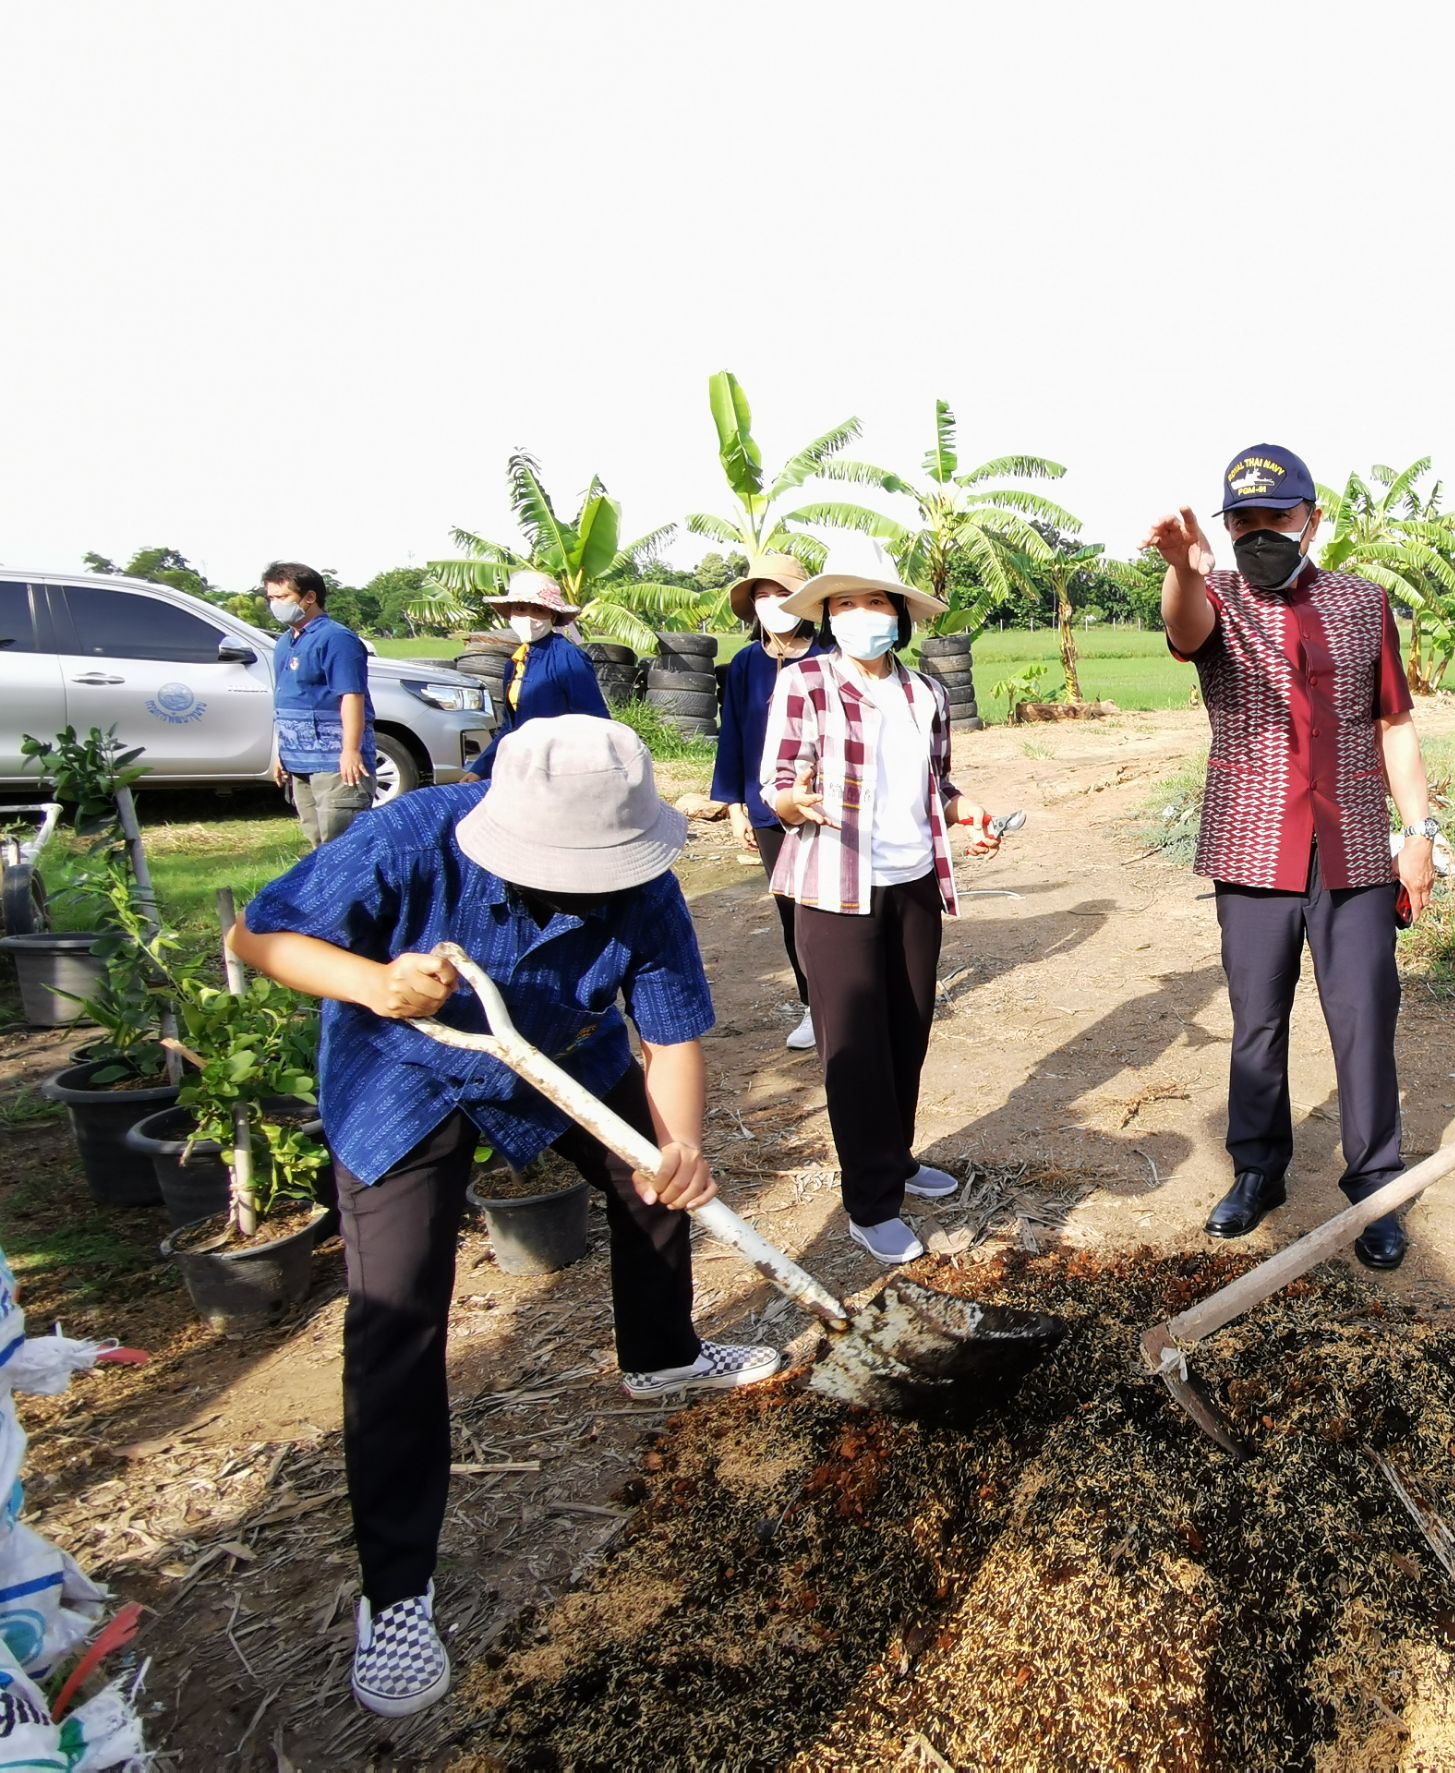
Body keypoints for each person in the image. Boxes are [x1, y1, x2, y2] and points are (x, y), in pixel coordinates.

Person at [229, 716, 780, 1720]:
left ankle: (660, 1354)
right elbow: (255, 934)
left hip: (561, 1053)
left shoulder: (646, 889)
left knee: (644, 1176)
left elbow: (670, 1038)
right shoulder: (408, 840)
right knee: (396, 1320)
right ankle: (395, 1590)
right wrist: (374, 983)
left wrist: (680, 1147)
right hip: (404, 1072)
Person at [1144, 443, 1437, 1270]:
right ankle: (1258, 1170)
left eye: (1278, 517)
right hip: (1253, 843)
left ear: (1312, 520)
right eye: (1245, 519)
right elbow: (1184, 626)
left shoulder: (1360, 603)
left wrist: (1418, 831)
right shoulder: (1218, 597)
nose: (1261, 531)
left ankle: (1376, 1186)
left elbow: (1394, 724)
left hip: (1351, 849)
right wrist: (1183, 568)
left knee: (1365, 1019)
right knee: (1256, 1021)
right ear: (1227, 526)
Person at [761, 536, 1002, 1267]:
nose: (861, 614)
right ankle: (870, 1202)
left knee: (909, 1029)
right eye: (844, 602)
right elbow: (777, 781)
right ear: (828, 615)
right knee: (856, 1045)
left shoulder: (924, 691)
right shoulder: (805, 682)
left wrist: (968, 815)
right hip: (835, 889)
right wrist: (793, 801)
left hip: (914, 882)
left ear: (898, 614)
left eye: (874, 601)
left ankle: (893, 1158)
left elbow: (940, 782)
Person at [711, 553, 835, 1052]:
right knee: (792, 911)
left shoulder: (830, 656)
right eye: (761, 596)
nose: (771, 604)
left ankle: (853, 996)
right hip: (768, 808)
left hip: (828, 804)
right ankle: (813, 1005)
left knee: (840, 903)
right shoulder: (744, 665)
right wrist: (736, 807)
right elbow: (734, 737)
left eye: (780, 593)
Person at [262, 561, 376, 847]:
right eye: (271, 598)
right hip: (299, 762)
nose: (275, 604)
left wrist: (350, 750)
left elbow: (351, 696)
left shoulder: (336, 639)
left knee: (341, 845)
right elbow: (286, 700)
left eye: (282, 597)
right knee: (316, 845)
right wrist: (281, 753)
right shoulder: (286, 641)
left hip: (334, 763)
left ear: (309, 597)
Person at [466, 570, 609, 780]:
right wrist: (479, 769)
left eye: (538, 610)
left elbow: (595, 722)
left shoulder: (568, 658)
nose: (528, 617)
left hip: (560, 771)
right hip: (523, 768)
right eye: (520, 609)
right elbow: (510, 728)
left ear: (551, 614)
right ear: (511, 613)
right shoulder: (516, 663)